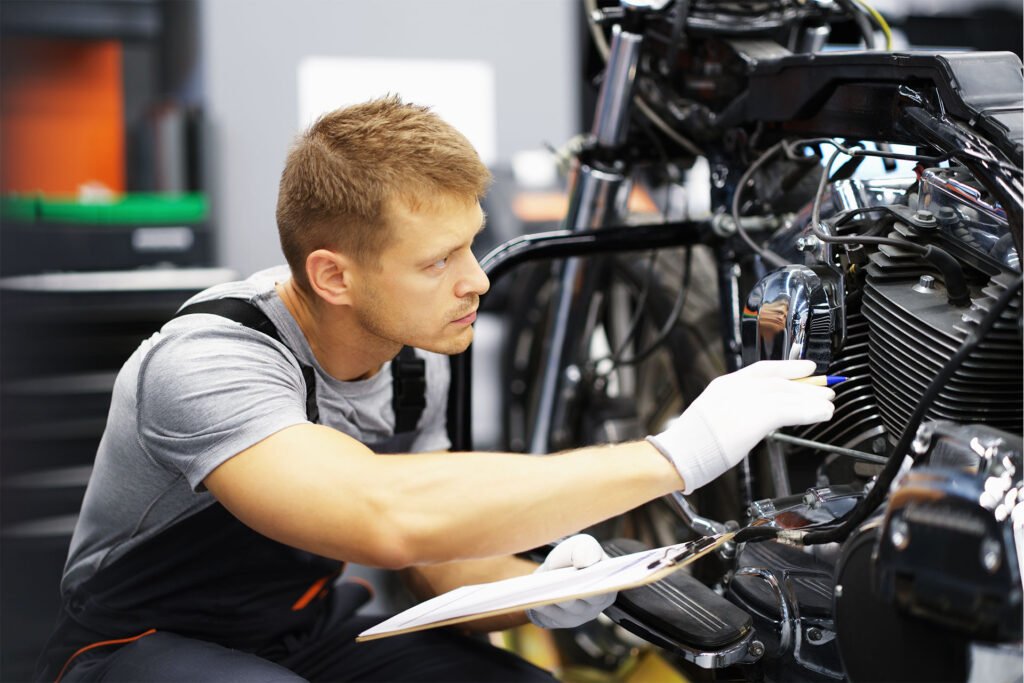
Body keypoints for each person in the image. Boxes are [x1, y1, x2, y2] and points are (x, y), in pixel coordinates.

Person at [36, 96, 835, 682]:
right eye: (437, 261)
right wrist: (678, 453)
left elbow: (433, 562)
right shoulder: (208, 360)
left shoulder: (420, 352)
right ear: (332, 275)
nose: (478, 280)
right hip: (130, 643)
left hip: (301, 629)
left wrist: (548, 589)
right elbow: (380, 513)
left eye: (472, 246)